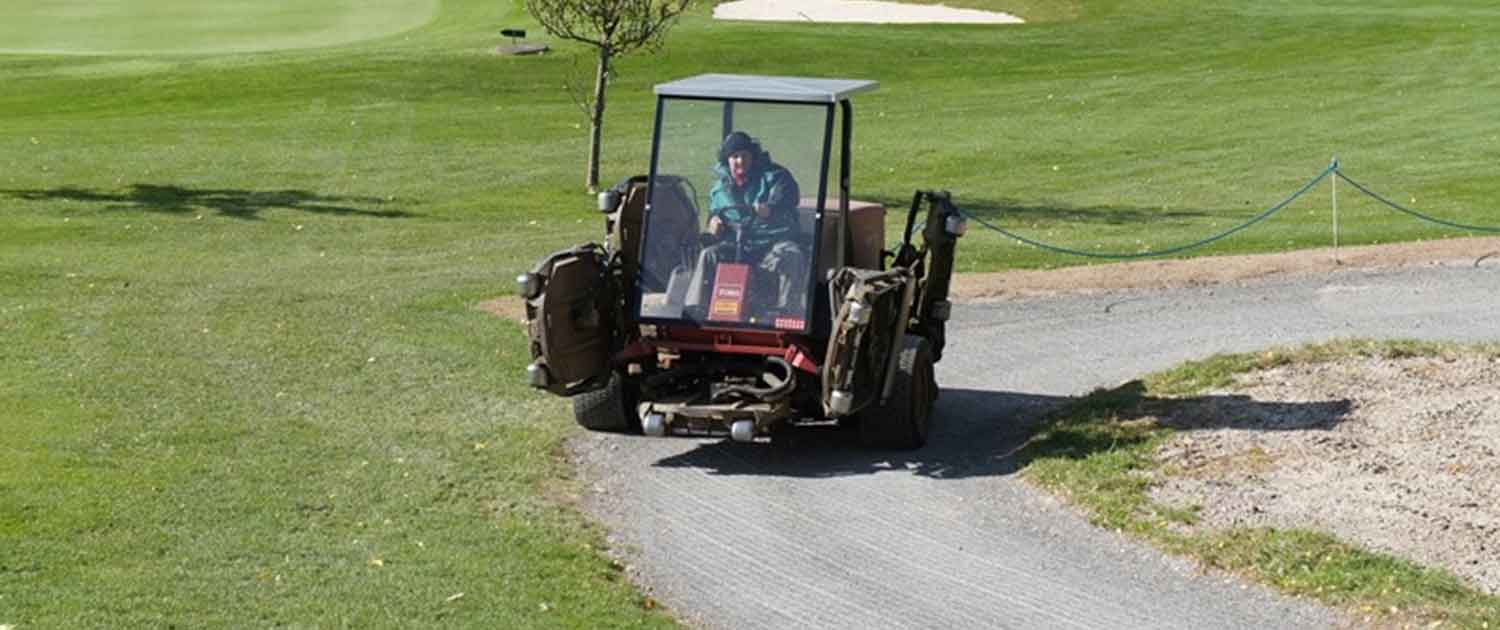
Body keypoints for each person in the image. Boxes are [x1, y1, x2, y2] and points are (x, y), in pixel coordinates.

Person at [684, 131, 807, 320]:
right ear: (727, 160)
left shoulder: (775, 176)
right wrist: (713, 225)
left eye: (744, 155)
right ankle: (694, 314)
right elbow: (714, 215)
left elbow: (789, 197)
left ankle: (788, 314)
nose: (740, 161)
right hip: (737, 246)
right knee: (708, 255)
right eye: (734, 157)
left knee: (791, 254)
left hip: (771, 244)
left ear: (753, 156)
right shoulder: (719, 188)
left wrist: (770, 209)